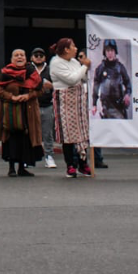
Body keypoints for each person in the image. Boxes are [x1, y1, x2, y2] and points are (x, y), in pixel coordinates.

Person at [0, 49, 45, 177]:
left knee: (25, 139)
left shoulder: (31, 72)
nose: (19, 57)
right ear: (12, 59)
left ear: (26, 58)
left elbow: (40, 90)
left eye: (22, 55)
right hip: (10, 111)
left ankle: (22, 168)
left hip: (27, 110)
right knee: (11, 139)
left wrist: (28, 96)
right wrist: (11, 97)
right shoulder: (5, 72)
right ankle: (11, 167)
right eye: (16, 55)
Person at [49, 37, 91, 178]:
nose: (76, 48)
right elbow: (72, 79)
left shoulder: (74, 62)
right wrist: (85, 66)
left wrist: (85, 68)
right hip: (65, 100)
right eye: (73, 46)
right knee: (68, 134)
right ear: (66, 49)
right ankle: (70, 165)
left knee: (82, 132)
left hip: (78, 99)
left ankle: (83, 163)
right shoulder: (55, 63)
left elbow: (82, 78)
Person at [31, 48, 58, 168]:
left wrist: (51, 86)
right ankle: (30, 157)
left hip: (47, 105)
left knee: (47, 133)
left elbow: (58, 84)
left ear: (45, 57)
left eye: (41, 55)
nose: (38, 57)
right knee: (31, 133)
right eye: (36, 55)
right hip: (32, 105)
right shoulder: (28, 69)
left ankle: (49, 156)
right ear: (31, 57)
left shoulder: (50, 70)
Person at [91, 41, 132, 120]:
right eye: (107, 51)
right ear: (105, 52)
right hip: (107, 106)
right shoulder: (100, 69)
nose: (110, 53)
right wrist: (94, 104)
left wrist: (127, 95)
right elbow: (95, 87)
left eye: (112, 51)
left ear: (115, 52)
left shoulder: (120, 67)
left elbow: (128, 83)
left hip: (119, 106)